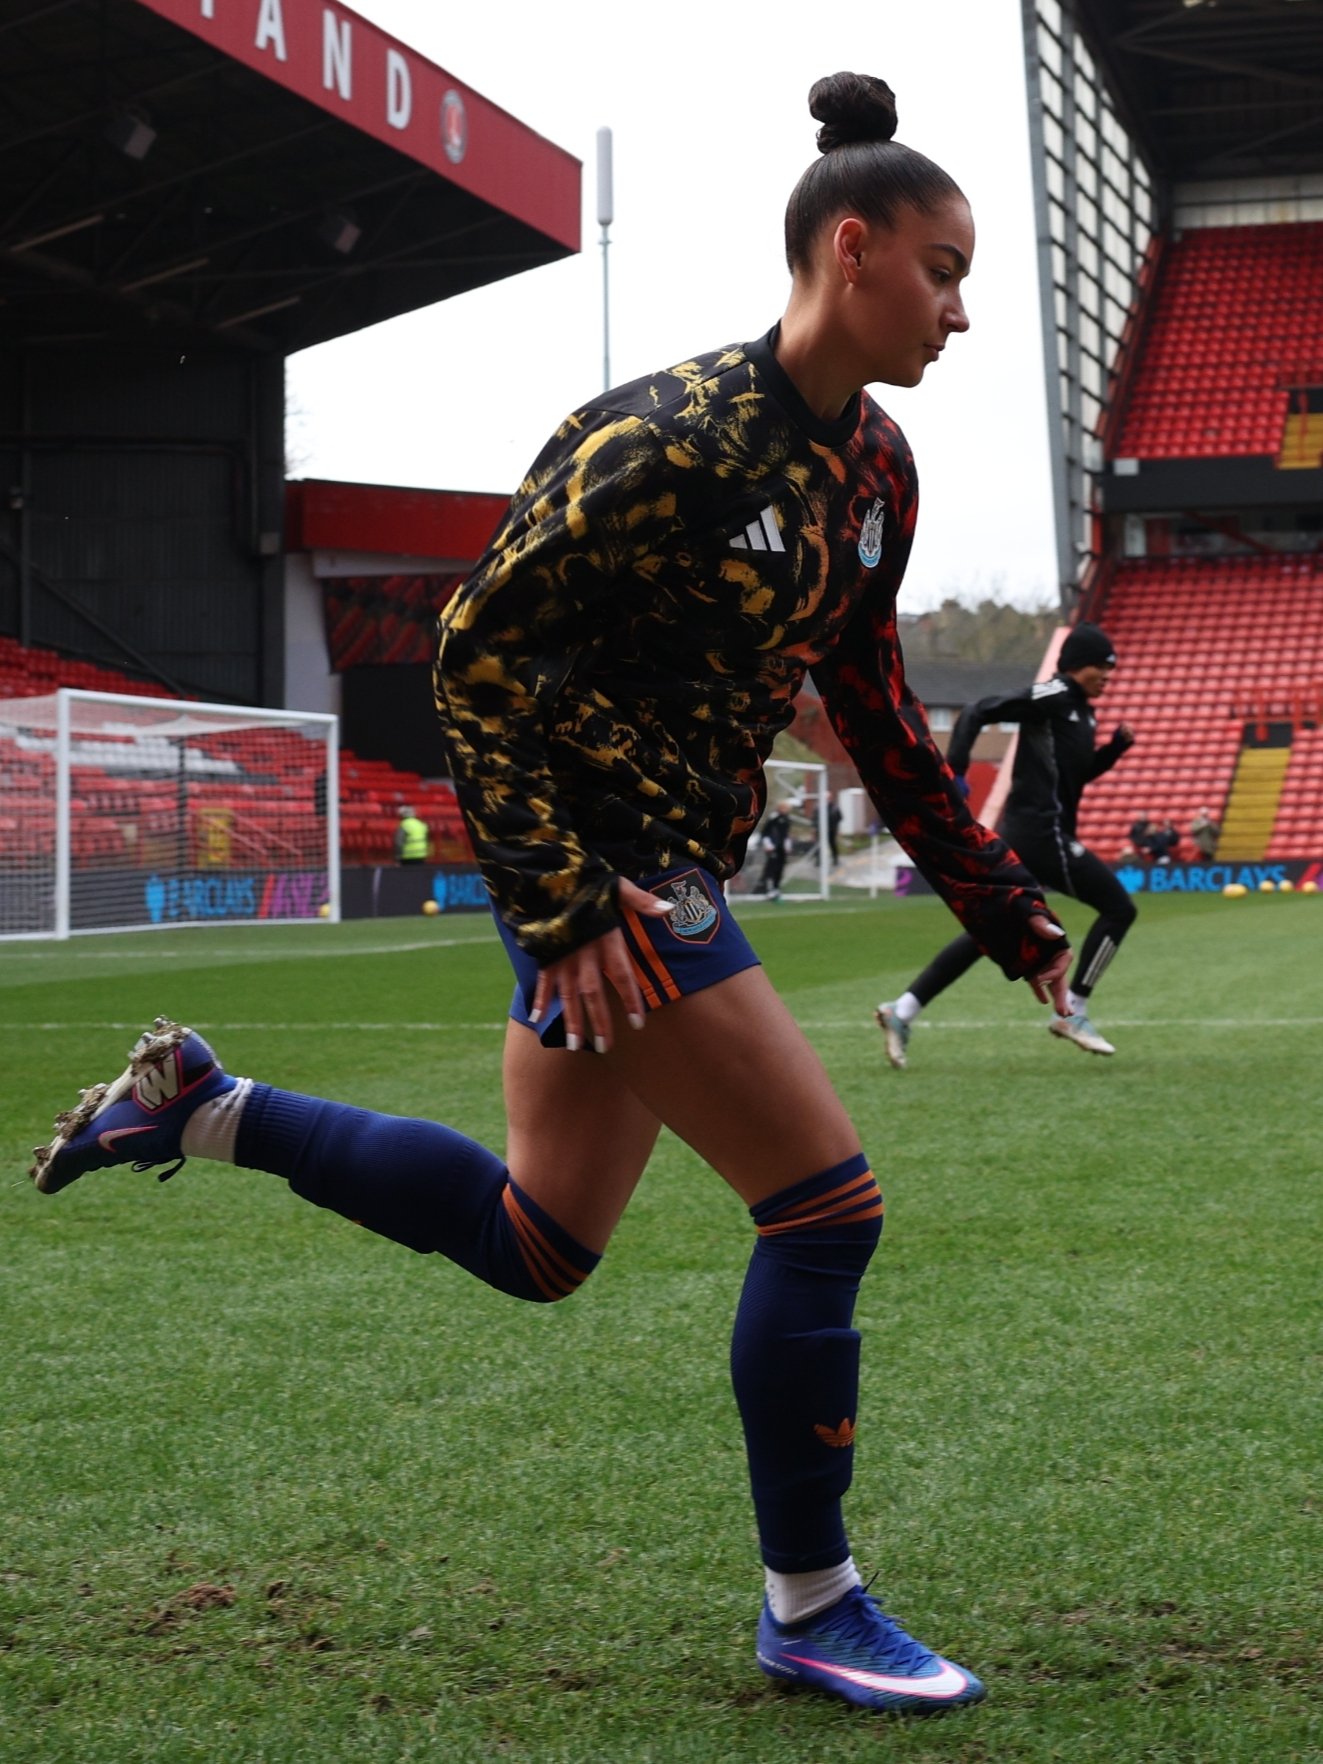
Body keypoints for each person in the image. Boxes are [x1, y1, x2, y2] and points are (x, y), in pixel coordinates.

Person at [30, 73, 1073, 1719]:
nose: (956, 309)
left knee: (538, 1241)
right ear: (849, 247)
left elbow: (871, 702)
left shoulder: (874, 472)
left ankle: (206, 1107)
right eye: (941, 269)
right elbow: (475, 650)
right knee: (823, 1206)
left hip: (646, 878)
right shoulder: (659, 437)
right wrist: (564, 900)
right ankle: (811, 1599)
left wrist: (1002, 907)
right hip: (611, 882)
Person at [877, 621, 1135, 1065]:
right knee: (1119, 908)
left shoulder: (1083, 711)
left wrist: (1113, 751)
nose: (1109, 675)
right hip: (1040, 833)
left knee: (991, 931)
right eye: (1102, 666)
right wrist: (955, 771)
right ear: (1078, 665)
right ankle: (1074, 1012)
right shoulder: (1052, 696)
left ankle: (902, 1010)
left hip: (1043, 833)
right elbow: (978, 709)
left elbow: (1076, 777)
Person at [754, 800, 794, 897]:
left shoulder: (787, 819)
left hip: (781, 847)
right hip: (773, 846)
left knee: (780, 868)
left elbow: (786, 833)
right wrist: (767, 843)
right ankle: (768, 888)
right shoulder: (773, 818)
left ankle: (776, 887)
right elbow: (765, 832)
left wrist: (787, 843)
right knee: (771, 867)